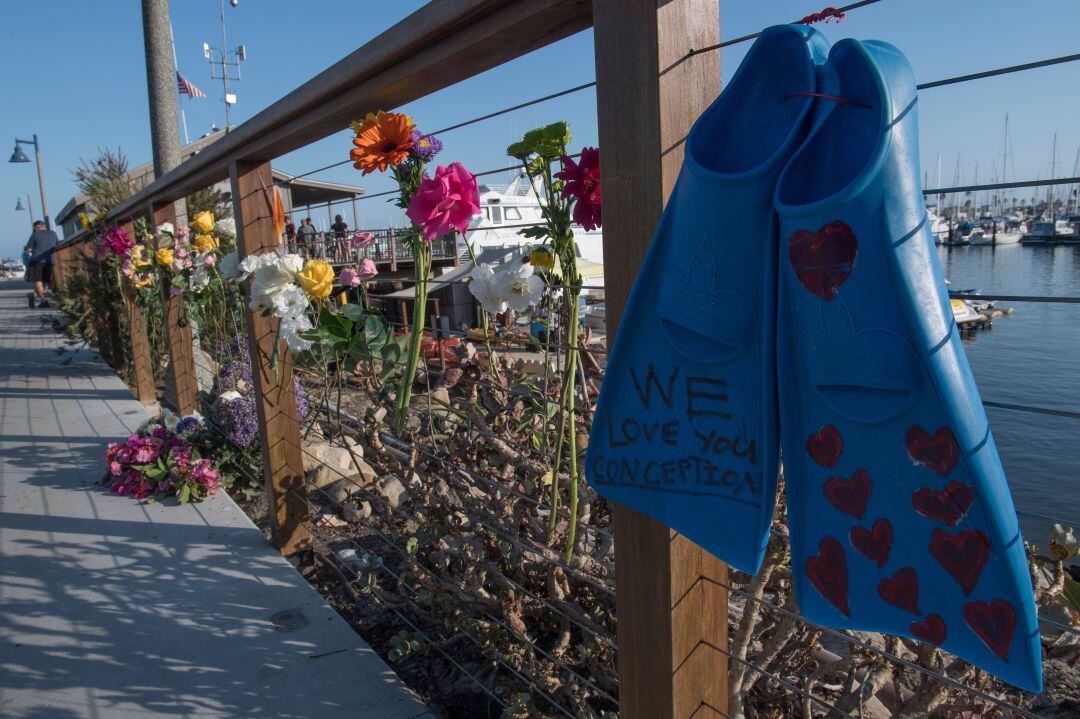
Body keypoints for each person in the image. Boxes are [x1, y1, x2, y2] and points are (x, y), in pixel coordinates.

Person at [24, 220, 58, 308]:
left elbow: (29, 250)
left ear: (35, 228)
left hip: (37, 260)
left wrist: (27, 249)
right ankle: (37, 296)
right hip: (50, 260)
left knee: (38, 280)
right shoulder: (53, 234)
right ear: (44, 226)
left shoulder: (35, 235)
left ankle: (43, 300)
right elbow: (57, 245)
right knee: (46, 281)